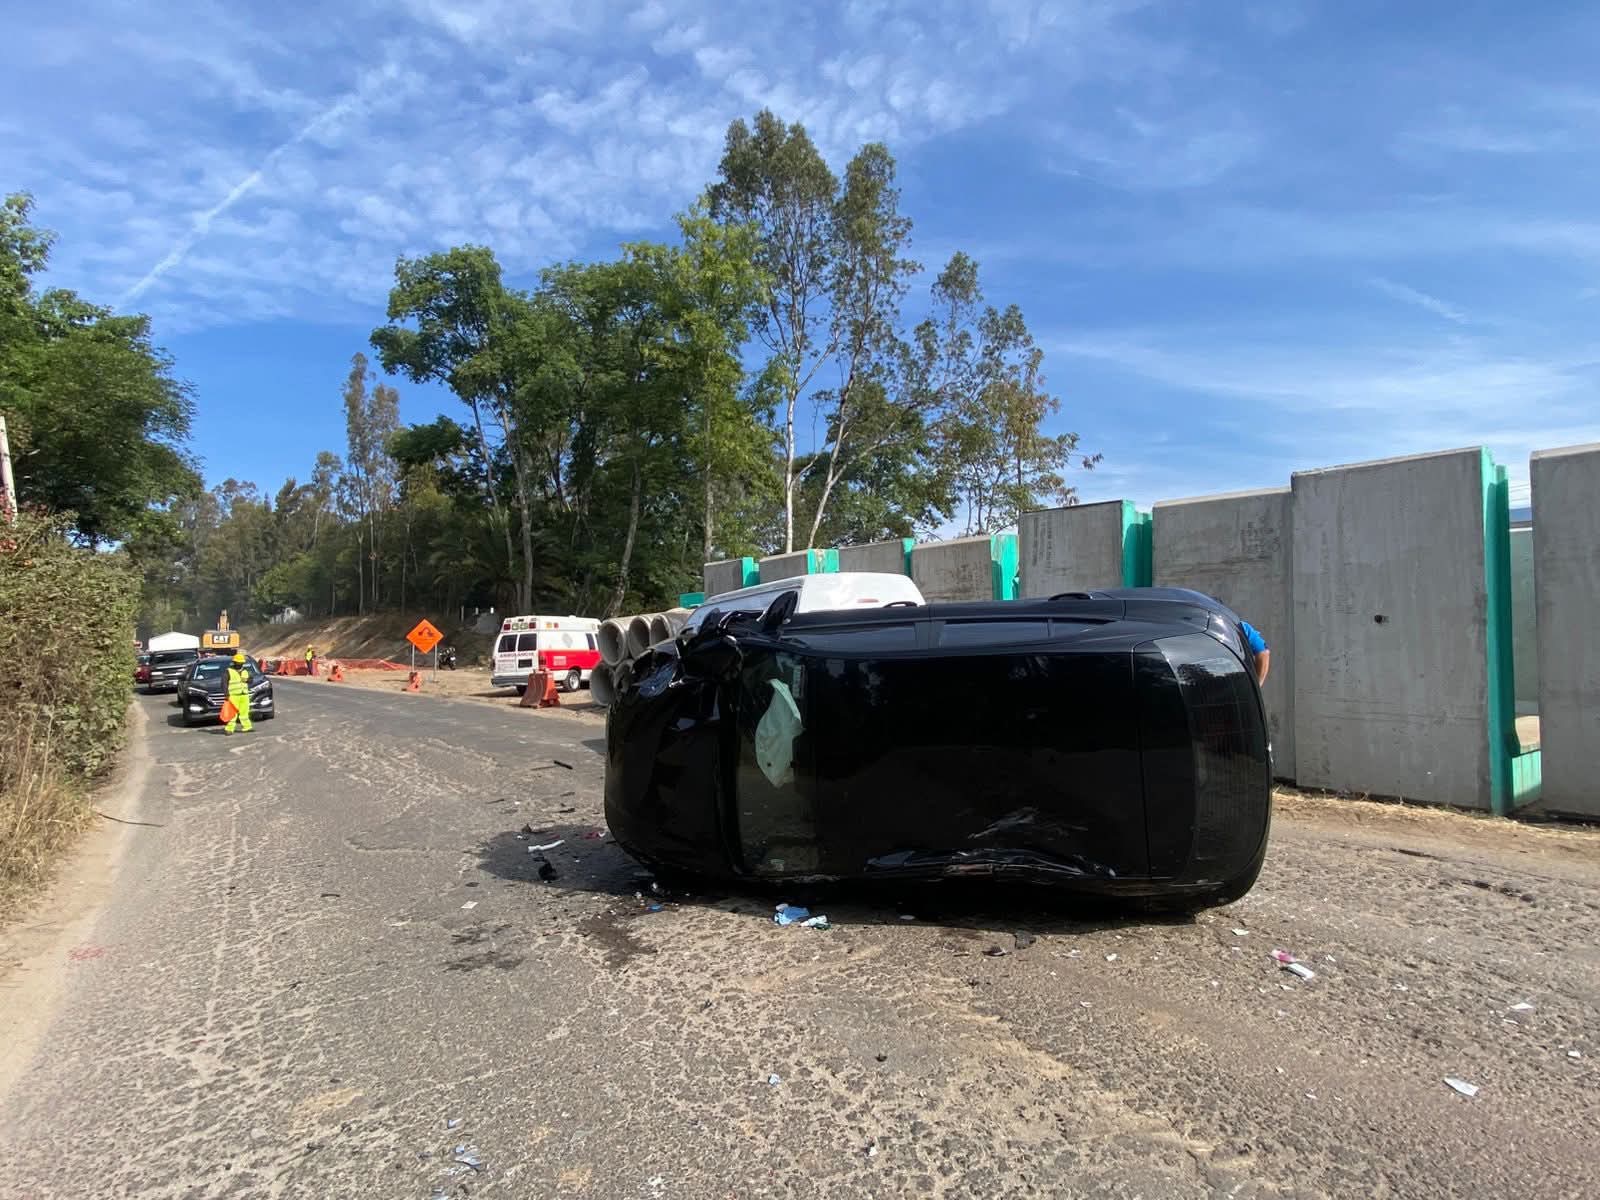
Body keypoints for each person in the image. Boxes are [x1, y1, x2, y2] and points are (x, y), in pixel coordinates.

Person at [224, 652, 254, 734]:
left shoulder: (246, 671)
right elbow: (224, 683)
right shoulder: (228, 671)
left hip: (244, 695)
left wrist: (247, 680)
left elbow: (251, 680)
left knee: (245, 713)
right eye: (238, 663)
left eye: (241, 663)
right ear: (234, 662)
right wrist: (226, 694)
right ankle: (229, 729)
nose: (240, 664)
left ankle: (247, 727)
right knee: (232, 713)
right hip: (233, 696)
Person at [1239, 620, 1271, 686]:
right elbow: (1263, 652)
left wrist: (1256, 685)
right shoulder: (1237, 625)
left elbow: (1263, 653)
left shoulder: (1239, 627)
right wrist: (1257, 685)